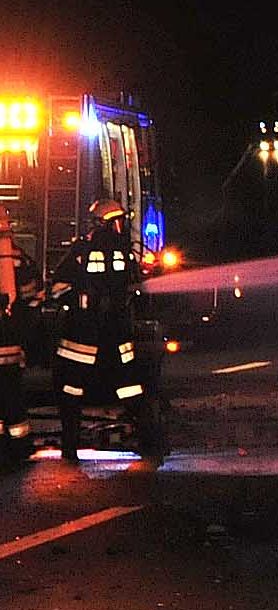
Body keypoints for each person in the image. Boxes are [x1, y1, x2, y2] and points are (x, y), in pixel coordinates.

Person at [52, 200, 161, 462]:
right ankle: (71, 447)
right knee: (76, 391)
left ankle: (149, 440)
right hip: (88, 335)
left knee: (127, 388)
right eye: (116, 221)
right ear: (103, 223)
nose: (120, 227)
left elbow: (136, 287)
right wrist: (84, 298)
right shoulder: (85, 251)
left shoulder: (122, 252)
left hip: (104, 334)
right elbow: (58, 288)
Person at [0, 204, 31, 467]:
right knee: (12, 396)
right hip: (9, 344)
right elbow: (33, 291)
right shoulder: (16, 257)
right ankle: (18, 446)